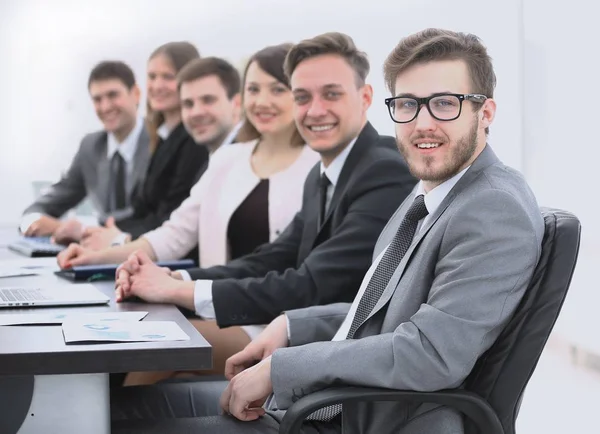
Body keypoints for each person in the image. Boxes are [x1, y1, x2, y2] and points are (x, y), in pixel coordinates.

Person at [111, 28, 545, 434]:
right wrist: (290, 327)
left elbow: (429, 354)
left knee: (118, 421)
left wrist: (282, 367)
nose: (422, 123)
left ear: (485, 112)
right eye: (409, 104)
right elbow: (381, 315)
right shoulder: (434, 193)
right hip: (331, 403)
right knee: (117, 409)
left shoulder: (491, 206)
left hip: (366, 419)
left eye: (445, 103)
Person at [103, 31, 416, 383]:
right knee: (136, 357)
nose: (315, 110)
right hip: (296, 333)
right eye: (302, 96)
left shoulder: (384, 167)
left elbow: (316, 284)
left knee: (151, 353)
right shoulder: (324, 172)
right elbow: (272, 257)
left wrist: (178, 291)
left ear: (365, 97)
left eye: (331, 94)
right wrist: (177, 278)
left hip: (333, 355)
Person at [79, 41, 211, 250]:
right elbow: (143, 210)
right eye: (152, 77)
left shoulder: (194, 141)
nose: (157, 86)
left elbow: (170, 215)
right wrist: (102, 230)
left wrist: (119, 237)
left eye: (168, 77)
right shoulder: (162, 137)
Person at [20, 60, 150, 243]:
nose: (105, 107)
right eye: (97, 99)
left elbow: (151, 218)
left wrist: (81, 229)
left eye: (113, 95)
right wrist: (33, 221)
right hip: (99, 256)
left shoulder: (160, 142)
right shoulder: (91, 147)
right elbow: (44, 205)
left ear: (135, 94)